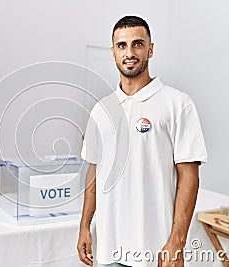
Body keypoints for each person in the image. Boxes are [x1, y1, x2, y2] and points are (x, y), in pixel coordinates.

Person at [77, 16, 208, 267]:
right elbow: (94, 170)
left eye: (138, 44)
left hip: (155, 251)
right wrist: (85, 226)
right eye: (122, 45)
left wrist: (177, 242)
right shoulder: (101, 109)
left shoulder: (178, 104)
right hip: (108, 251)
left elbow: (189, 177)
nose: (130, 52)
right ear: (113, 52)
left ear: (150, 49)